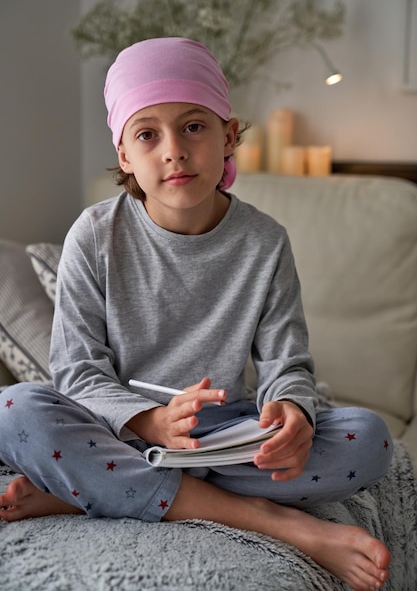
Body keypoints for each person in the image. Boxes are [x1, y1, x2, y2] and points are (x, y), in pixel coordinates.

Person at [0, 38, 393, 591]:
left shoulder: (265, 242)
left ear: (228, 135)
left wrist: (291, 411)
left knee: (369, 439)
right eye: (147, 134)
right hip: (121, 431)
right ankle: (272, 521)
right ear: (124, 156)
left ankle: (86, 488)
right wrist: (151, 422)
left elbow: (286, 361)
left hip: (224, 436)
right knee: (14, 410)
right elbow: (78, 373)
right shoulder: (94, 235)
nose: (173, 151)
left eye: (193, 126)